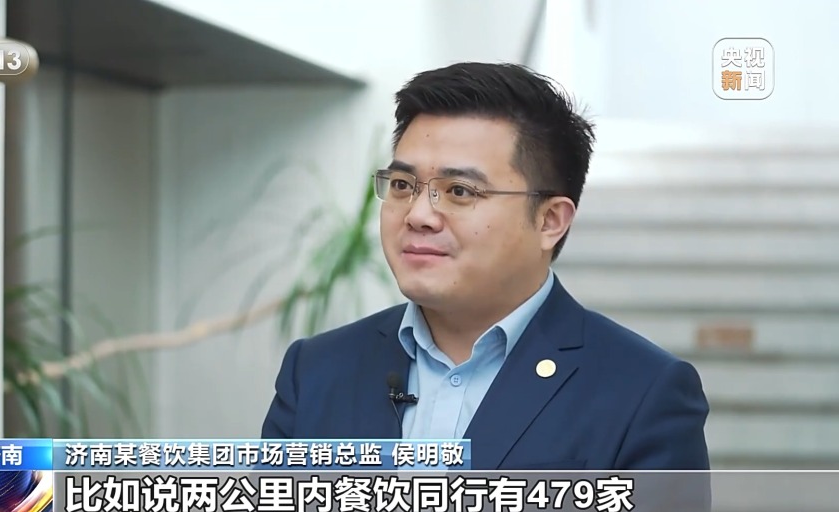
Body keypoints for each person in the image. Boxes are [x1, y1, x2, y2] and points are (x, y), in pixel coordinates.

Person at [261, 62, 710, 471]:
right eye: (401, 185)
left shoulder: (642, 394)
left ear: (549, 221)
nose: (418, 214)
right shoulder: (316, 371)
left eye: (459, 191)